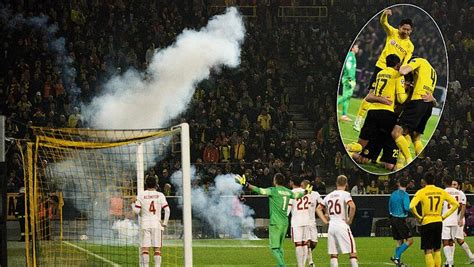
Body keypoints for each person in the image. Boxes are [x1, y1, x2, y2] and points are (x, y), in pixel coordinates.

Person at [353, 8, 414, 132]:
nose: (406, 31)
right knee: (372, 93)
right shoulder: (393, 32)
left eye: (408, 30)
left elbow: (406, 61)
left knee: (390, 98)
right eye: (404, 29)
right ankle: (358, 120)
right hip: (381, 67)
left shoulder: (410, 46)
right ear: (399, 27)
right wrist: (384, 15)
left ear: (411, 31)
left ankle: (382, 123)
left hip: (394, 72)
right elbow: (383, 23)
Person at [348, 54, 408, 170]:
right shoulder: (398, 75)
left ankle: (349, 151)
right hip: (388, 114)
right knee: (389, 140)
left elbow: (370, 96)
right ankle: (393, 160)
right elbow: (401, 99)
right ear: (398, 65)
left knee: (360, 146)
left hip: (373, 112)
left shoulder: (380, 74)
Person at [235, 173, 307, 267]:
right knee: (280, 247)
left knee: (274, 248)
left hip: (275, 223)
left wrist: (247, 184)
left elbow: (259, 190)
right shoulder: (288, 191)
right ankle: (280, 265)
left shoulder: (273, 190)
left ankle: (282, 265)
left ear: (275, 181)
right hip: (285, 223)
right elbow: (297, 195)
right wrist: (306, 192)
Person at [393, 57, 438, 164]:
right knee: (416, 137)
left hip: (417, 102)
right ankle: (423, 163)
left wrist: (403, 65)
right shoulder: (433, 72)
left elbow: (403, 70)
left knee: (397, 132)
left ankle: (403, 163)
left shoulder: (419, 61)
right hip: (428, 105)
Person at [409, 173, 459, 267]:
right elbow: (456, 204)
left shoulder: (421, 192)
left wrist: (419, 217)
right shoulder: (441, 191)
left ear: (424, 181)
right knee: (437, 248)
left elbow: (411, 206)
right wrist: (444, 216)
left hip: (427, 221)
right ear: (434, 181)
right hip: (438, 221)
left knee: (428, 249)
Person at [316, 175, 358, 267]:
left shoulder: (329, 196)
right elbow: (352, 206)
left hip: (331, 226)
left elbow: (318, 208)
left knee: (334, 254)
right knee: (352, 252)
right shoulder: (346, 194)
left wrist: (325, 221)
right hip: (342, 224)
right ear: (346, 184)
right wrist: (350, 220)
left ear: (336, 183)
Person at [132, 176, 170, 267]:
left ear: (146, 184)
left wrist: (132, 203)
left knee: (145, 249)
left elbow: (136, 211)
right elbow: (167, 210)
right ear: (156, 184)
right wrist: (164, 223)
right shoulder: (160, 195)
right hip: (156, 224)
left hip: (145, 224)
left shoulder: (141, 195)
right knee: (157, 250)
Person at [443, 179, 474, 265]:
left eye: (455, 184)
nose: (453, 186)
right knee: (454, 239)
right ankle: (470, 257)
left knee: (457, 239)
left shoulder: (461, 194)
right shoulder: (453, 193)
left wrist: (460, 219)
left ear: (459, 186)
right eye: (452, 184)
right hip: (452, 219)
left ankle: (450, 261)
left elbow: (463, 207)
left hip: (457, 219)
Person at [388, 178, 413, 266]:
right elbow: (407, 207)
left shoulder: (393, 193)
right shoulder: (405, 195)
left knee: (399, 241)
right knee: (410, 240)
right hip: (400, 219)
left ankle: (397, 262)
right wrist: (412, 210)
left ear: (399, 184)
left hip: (393, 218)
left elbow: (389, 206)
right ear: (407, 185)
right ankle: (396, 256)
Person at [288, 176, 311, 267]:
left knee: (298, 244)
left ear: (292, 182)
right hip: (306, 219)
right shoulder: (306, 192)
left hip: (296, 221)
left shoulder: (291, 193)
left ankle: (300, 265)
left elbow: (288, 210)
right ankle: (303, 264)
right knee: (304, 243)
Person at [302, 179, 323, 267]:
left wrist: (323, 210)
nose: (301, 187)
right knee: (308, 242)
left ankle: (305, 254)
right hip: (304, 221)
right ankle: (311, 262)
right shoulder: (301, 194)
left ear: (307, 185)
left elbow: (322, 202)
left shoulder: (316, 194)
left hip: (312, 222)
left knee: (314, 243)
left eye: (303, 186)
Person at [338, 44, 359, 122]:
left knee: (347, 98)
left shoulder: (352, 56)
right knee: (346, 96)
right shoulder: (350, 55)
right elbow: (348, 66)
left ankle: (344, 115)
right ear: (352, 48)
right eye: (356, 47)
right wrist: (350, 79)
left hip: (349, 78)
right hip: (348, 79)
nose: (358, 48)